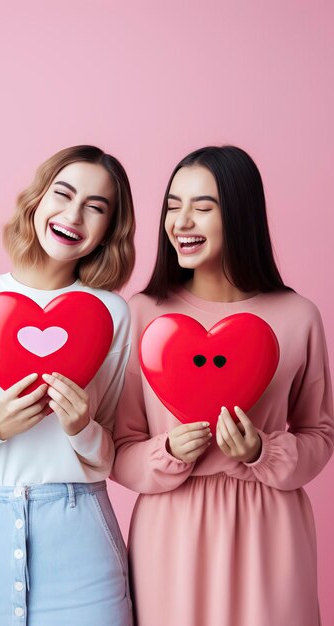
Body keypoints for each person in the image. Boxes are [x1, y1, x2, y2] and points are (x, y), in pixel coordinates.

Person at [112, 145, 334, 626]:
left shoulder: (299, 316)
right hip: (171, 534)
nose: (181, 221)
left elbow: (320, 434)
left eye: (202, 207)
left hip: (272, 534)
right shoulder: (144, 315)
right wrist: (167, 450)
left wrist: (263, 451)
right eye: (173, 205)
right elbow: (118, 446)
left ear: (240, 213)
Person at [0, 145, 135, 626]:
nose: (74, 215)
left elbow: (112, 453)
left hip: (82, 544)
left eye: (96, 207)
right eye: (64, 193)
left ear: (107, 232)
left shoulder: (112, 315)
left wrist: (80, 427)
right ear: (38, 200)